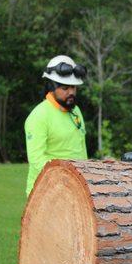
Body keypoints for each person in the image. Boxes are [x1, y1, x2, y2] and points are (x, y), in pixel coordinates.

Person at [24, 55, 88, 196]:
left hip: (75, 189)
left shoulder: (75, 111)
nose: (71, 92)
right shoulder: (39, 116)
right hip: (45, 192)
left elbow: (81, 149)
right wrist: (66, 177)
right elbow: (37, 160)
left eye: (73, 87)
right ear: (51, 87)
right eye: (65, 88)